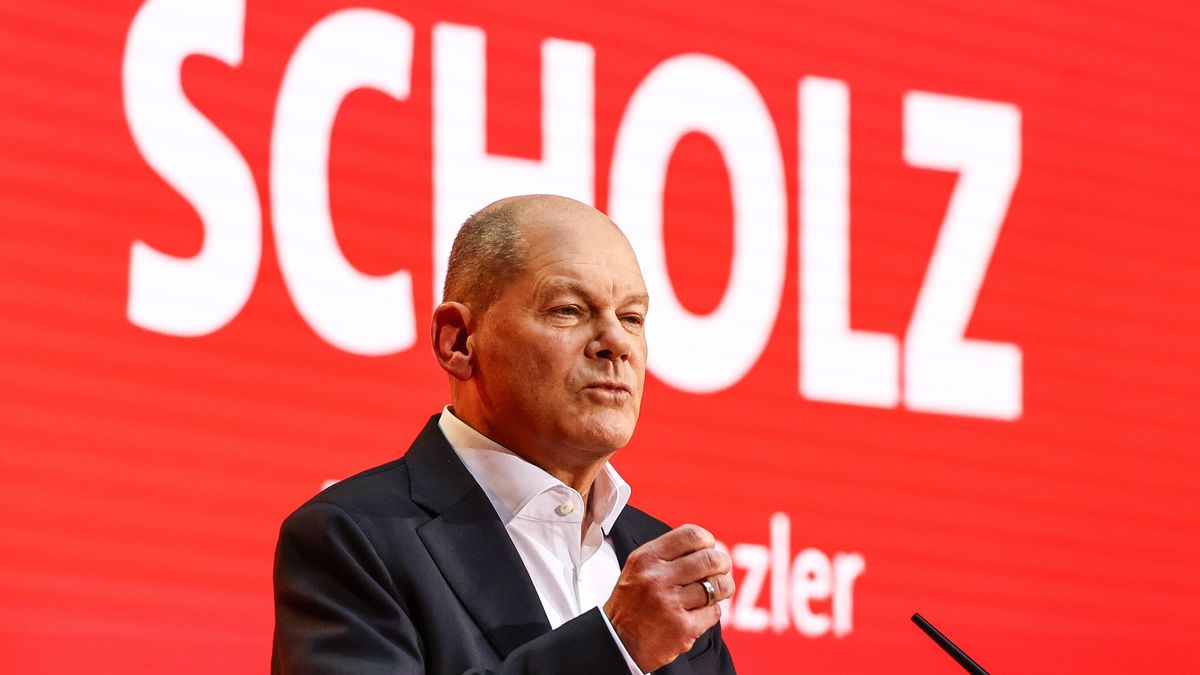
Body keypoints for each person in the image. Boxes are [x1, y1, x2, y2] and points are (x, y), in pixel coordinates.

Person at [272, 195, 737, 674]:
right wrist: (614, 648)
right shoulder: (356, 538)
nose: (616, 342)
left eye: (632, 318)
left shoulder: (659, 564)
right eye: (569, 309)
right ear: (457, 341)